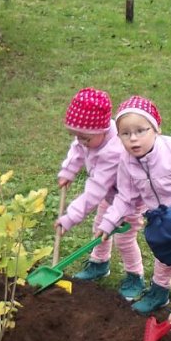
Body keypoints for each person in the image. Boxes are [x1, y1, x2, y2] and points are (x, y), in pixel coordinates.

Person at [97, 95, 171, 314]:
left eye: (141, 130)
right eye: (126, 133)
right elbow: (125, 196)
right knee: (163, 251)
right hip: (160, 219)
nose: (133, 139)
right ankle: (160, 290)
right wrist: (109, 222)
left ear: (156, 129)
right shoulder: (127, 162)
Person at [54, 88, 146, 301]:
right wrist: (68, 171)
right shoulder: (89, 136)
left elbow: (95, 189)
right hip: (111, 195)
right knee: (99, 228)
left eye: (84, 138)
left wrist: (70, 218)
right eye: (77, 136)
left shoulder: (113, 152)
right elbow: (77, 150)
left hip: (128, 200)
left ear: (103, 130)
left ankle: (135, 275)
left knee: (124, 238)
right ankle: (99, 263)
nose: (81, 141)